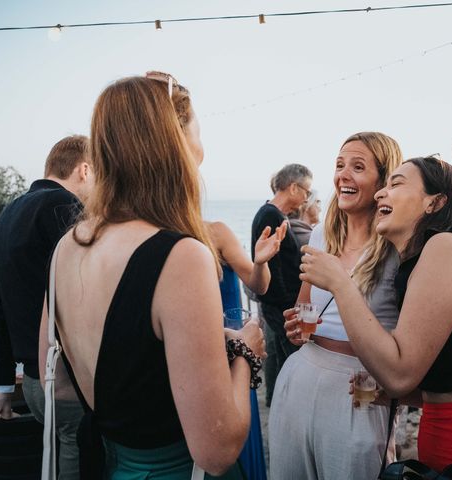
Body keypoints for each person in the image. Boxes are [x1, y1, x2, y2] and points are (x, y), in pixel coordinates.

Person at [38, 75, 265, 479]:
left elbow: (56, 383)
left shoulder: (67, 248)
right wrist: (246, 352)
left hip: (115, 465)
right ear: (176, 142)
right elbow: (217, 450)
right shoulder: (181, 257)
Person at [299, 156, 452, 479]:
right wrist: (401, 394)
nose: (379, 195)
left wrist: (340, 284)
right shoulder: (428, 259)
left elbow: (400, 373)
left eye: (396, 184)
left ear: (435, 202)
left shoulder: (445, 247)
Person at [146, 68, 282, 480]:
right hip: (224, 356)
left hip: (222, 357)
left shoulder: (217, 233)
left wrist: (259, 261)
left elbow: (257, 286)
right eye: (198, 133)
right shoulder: (183, 245)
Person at [270, 132, 402, 480]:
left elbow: (409, 338)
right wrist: (296, 326)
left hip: (360, 389)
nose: (343, 175)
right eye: (340, 165)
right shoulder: (320, 236)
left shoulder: (397, 246)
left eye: (358, 167)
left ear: (383, 179)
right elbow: (303, 308)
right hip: (302, 376)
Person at [0, 135, 92, 479]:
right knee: (82, 462)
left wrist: (2, 387)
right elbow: (89, 292)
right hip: (66, 381)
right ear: (85, 170)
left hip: (32, 384)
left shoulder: (8, 213)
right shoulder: (63, 207)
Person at [251, 163, 312, 405]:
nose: (307, 198)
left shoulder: (275, 214)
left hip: (281, 308)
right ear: (294, 188)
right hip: (282, 309)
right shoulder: (271, 216)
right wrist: (293, 306)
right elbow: (273, 270)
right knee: (296, 367)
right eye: (306, 191)